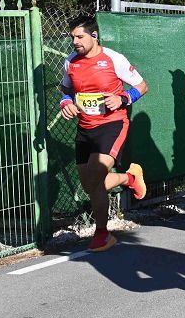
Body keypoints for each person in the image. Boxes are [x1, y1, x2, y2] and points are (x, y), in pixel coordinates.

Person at [59, 15, 148, 252]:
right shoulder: (71, 62)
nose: (75, 42)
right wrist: (65, 103)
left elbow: (142, 85)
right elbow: (66, 90)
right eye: (72, 38)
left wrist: (123, 98)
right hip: (85, 128)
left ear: (94, 35)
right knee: (90, 185)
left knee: (96, 178)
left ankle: (102, 233)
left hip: (112, 124)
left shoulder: (113, 59)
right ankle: (129, 178)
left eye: (80, 37)